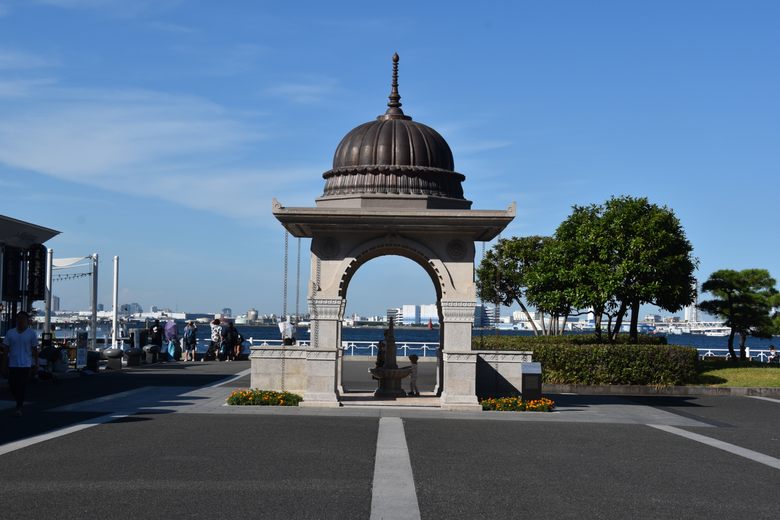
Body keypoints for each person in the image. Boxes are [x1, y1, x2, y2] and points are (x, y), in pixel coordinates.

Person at [1, 311, 39, 417]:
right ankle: (18, 401)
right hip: (13, 364)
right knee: (13, 385)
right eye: (19, 319)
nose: (20, 321)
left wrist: (36, 364)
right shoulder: (10, 333)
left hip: (26, 365)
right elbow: (5, 350)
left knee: (21, 386)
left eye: (23, 319)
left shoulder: (31, 333)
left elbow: (35, 350)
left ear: (27, 321)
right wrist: (3, 365)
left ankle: (19, 407)